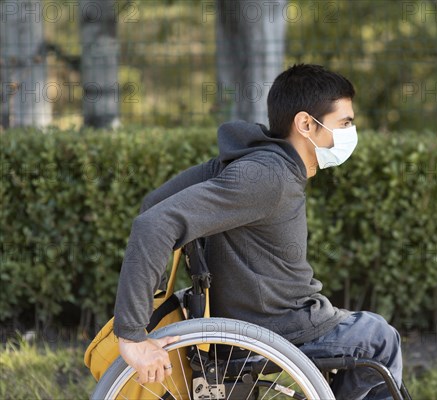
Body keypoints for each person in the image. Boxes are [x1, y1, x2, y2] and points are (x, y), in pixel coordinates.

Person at [114, 64, 402, 399]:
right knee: (378, 338)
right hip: (276, 325)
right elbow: (153, 222)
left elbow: (154, 203)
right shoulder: (267, 177)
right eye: (345, 123)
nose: (351, 132)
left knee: (366, 331)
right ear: (306, 124)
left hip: (272, 317)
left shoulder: (256, 163)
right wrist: (132, 335)